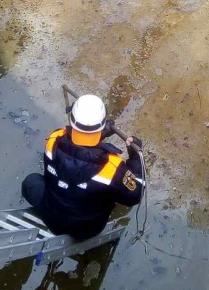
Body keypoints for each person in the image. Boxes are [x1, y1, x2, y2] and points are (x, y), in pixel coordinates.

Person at [21, 94, 144, 240]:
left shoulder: (54, 139)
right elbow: (135, 196)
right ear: (102, 124)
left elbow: (74, 144)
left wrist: (101, 133)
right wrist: (136, 159)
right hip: (85, 230)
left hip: (51, 216)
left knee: (31, 181)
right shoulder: (112, 167)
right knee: (113, 192)